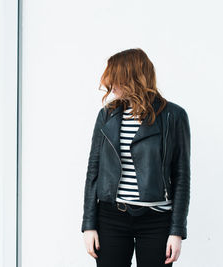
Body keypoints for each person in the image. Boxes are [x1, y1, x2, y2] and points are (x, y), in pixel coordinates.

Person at [81, 48, 191, 267]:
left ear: (132, 77)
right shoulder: (107, 115)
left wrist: (177, 231)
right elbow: (94, 170)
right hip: (111, 217)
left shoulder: (173, 116)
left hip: (157, 221)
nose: (109, 84)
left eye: (115, 77)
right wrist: (89, 225)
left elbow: (181, 176)